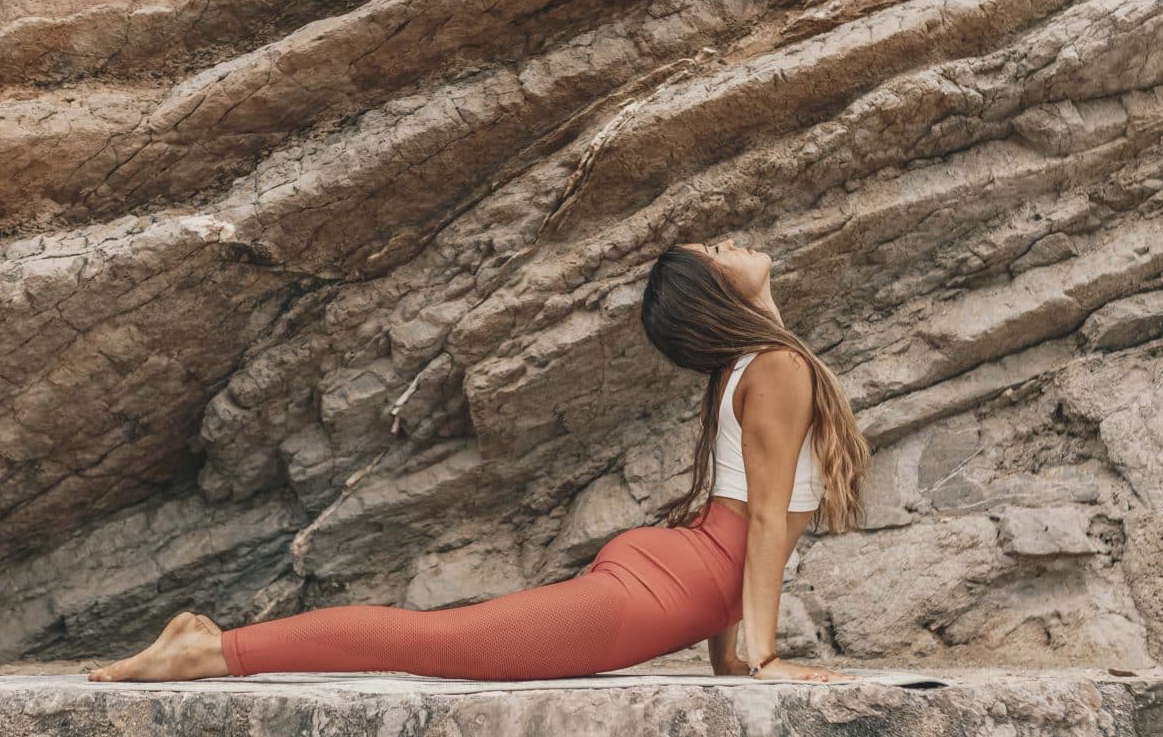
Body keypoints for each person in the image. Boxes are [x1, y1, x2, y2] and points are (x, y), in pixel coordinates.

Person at [87, 236, 872, 683]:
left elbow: (734, 523)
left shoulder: (766, 362)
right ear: (714, 297)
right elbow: (762, 519)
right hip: (664, 584)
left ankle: (211, 645)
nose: (731, 241)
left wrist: (732, 654)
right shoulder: (774, 369)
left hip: (676, 574)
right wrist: (761, 657)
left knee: (443, 641)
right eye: (715, 252)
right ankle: (213, 650)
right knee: (436, 644)